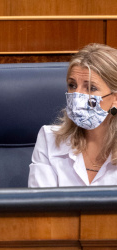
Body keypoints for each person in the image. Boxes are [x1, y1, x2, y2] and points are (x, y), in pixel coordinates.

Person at [28, 43, 117, 187]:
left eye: (91, 88)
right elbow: (42, 205)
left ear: (115, 98)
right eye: (72, 85)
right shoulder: (49, 139)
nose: (77, 95)